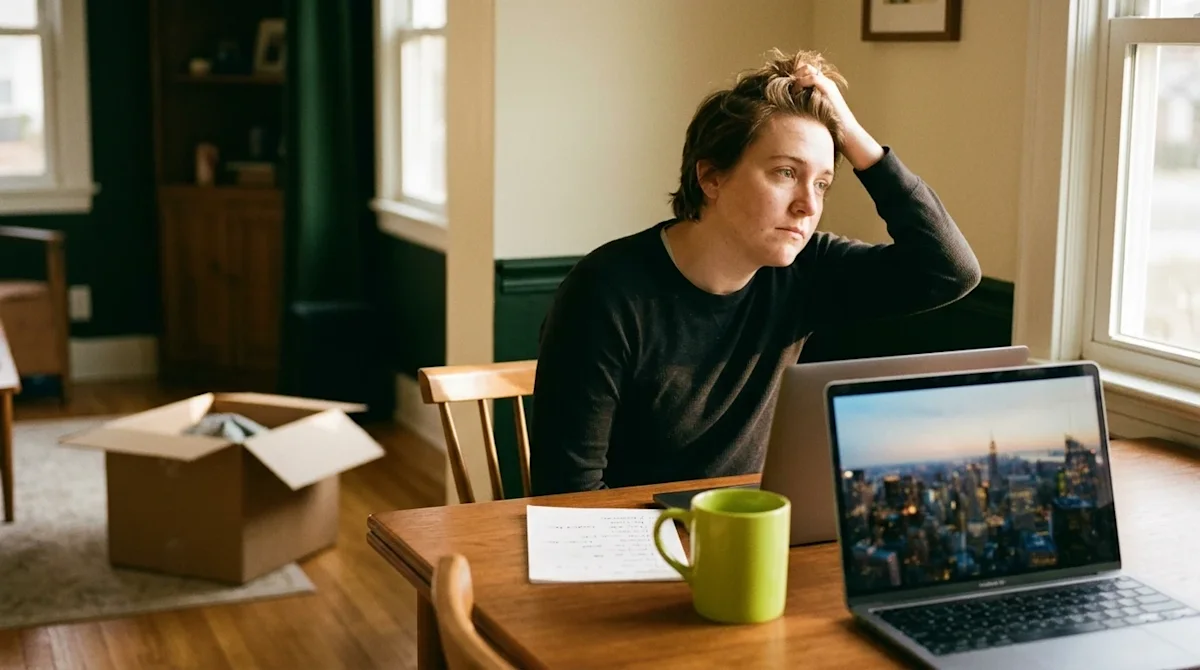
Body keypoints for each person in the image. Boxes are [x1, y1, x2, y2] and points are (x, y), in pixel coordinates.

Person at [529, 49, 981, 495]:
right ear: (711, 179)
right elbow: (569, 493)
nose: (808, 204)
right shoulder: (604, 292)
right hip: (641, 547)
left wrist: (856, 138)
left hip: (752, 534)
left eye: (822, 183)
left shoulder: (808, 270)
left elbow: (949, 270)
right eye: (786, 172)